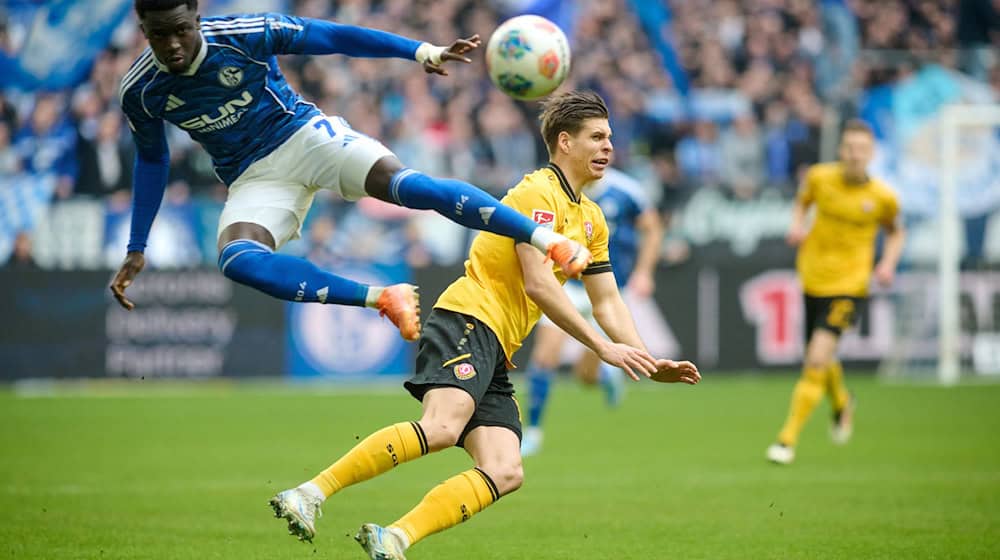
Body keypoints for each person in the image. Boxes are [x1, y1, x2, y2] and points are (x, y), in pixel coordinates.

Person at [267, 91, 701, 558]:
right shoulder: (538, 194)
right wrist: (602, 347)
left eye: (610, 137)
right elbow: (539, 284)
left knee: (505, 469)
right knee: (441, 427)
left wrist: (645, 358)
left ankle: (393, 538)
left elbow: (608, 299)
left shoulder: (592, 219)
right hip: (468, 318)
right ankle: (309, 493)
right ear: (564, 143)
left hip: (498, 344)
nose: (608, 147)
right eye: (596, 137)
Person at [109, 0, 592, 340]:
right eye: (158, 34)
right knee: (237, 260)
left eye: (180, 29)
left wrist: (420, 51)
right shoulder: (141, 90)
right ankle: (383, 297)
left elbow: (334, 36)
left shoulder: (244, 34)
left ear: (196, 13)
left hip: (305, 137)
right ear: (142, 29)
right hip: (254, 178)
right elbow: (153, 159)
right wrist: (137, 246)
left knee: (408, 186)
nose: (172, 44)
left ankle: (550, 241)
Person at [766, 119, 904, 465]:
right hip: (812, 279)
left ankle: (786, 440)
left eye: (862, 149)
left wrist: (886, 264)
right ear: (841, 150)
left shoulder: (883, 197)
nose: (855, 155)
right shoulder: (819, 177)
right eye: (850, 148)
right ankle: (842, 403)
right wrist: (797, 225)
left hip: (849, 286)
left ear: (871, 154)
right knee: (819, 357)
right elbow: (803, 202)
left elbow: (896, 233)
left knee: (815, 360)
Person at [520, 166, 664, 456]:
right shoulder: (553, 189)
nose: (602, 150)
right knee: (544, 358)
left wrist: (645, 272)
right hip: (566, 286)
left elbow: (653, 228)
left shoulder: (625, 191)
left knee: (584, 376)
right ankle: (533, 432)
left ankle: (604, 377)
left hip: (607, 289)